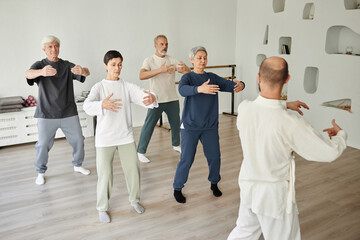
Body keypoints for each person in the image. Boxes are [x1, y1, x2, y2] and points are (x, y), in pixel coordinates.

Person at [227, 56, 347, 240]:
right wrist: (341, 136)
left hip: (248, 187)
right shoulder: (291, 123)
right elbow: (329, 152)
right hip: (273, 197)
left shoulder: (244, 109)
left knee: (244, 232)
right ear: (287, 79)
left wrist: (284, 104)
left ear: (259, 77)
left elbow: (265, 110)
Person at [83, 50, 158, 223]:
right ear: (106, 65)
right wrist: (102, 104)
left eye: (120, 64)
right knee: (105, 174)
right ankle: (102, 207)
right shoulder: (99, 87)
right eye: (113, 65)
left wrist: (152, 97)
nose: (117, 68)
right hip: (104, 139)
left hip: (125, 136)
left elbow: (143, 95)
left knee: (133, 169)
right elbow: (87, 106)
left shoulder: (126, 86)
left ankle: (135, 200)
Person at [172, 46, 246, 203]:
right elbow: (182, 90)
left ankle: (214, 183)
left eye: (204, 57)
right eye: (199, 58)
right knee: (187, 159)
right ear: (192, 60)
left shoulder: (212, 77)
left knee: (214, 157)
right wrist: (200, 89)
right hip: (190, 127)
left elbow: (229, 85)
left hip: (209, 127)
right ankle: (177, 187)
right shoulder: (188, 77)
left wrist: (241, 85)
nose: (202, 60)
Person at [25, 35, 91, 185]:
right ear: (44, 50)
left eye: (56, 46)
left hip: (68, 112)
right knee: (42, 144)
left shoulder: (66, 65)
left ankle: (78, 165)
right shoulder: (40, 65)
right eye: (50, 46)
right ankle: (40, 172)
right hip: (46, 113)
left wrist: (83, 70)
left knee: (79, 140)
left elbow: (85, 73)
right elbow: (27, 74)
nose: (54, 49)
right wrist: (41, 72)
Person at [137, 34, 191, 163]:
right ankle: (140, 151)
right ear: (155, 46)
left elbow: (188, 72)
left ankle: (176, 145)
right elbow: (141, 75)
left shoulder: (172, 59)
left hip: (172, 98)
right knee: (149, 125)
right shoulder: (149, 60)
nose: (164, 46)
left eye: (166, 44)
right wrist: (160, 70)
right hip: (156, 99)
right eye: (161, 44)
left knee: (176, 123)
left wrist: (185, 68)